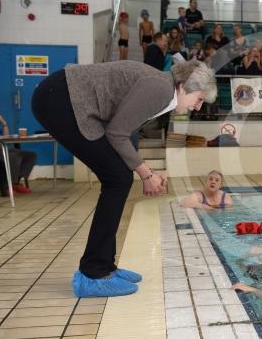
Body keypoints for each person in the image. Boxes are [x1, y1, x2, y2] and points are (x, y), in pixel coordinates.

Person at [31, 59, 217, 298]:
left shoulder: (163, 89)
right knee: (118, 178)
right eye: (199, 99)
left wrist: (143, 169)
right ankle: (93, 273)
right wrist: (146, 173)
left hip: (62, 96)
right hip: (60, 99)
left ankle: (105, 267)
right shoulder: (160, 89)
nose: (198, 107)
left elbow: (121, 131)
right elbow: (117, 134)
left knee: (119, 176)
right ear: (183, 86)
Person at [0, 98, 37, 196]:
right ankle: (9, 186)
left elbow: (5, 138)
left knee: (30, 155)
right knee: (14, 156)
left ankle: (16, 183)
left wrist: (3, 123)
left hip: (0, 149)